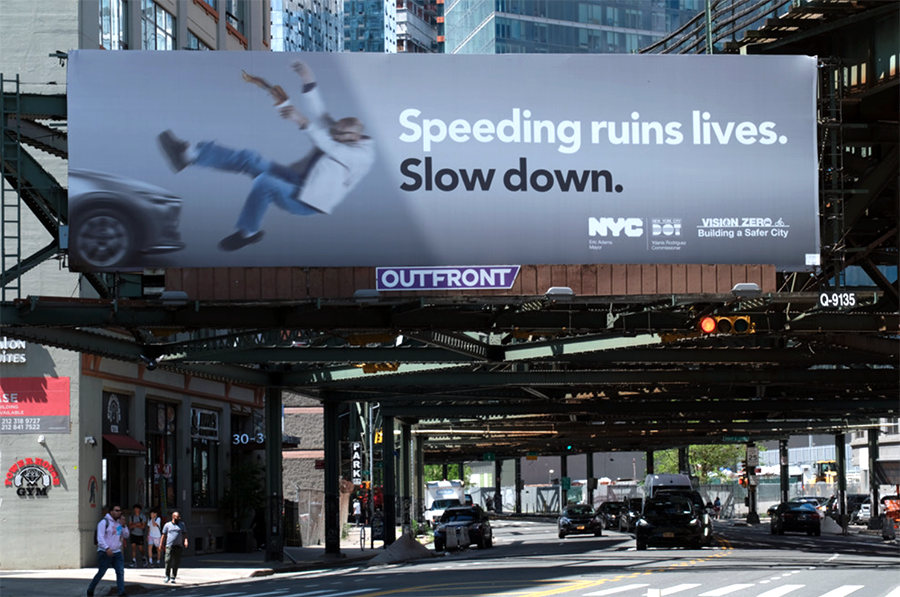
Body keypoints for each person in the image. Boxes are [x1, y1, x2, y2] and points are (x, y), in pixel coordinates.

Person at [157, 60, 376, 252]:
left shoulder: (362, 156)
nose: (335, 134)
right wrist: (308, 79)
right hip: (296, 179)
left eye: (340, 134)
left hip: (306, 201)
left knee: (265, 183)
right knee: (250, 158)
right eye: (335, 130)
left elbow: (330, 146)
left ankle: (248, 233)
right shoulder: (341, 132)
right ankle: (189, 155)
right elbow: (319, 113)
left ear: (355, 137)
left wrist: (302, 122)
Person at [86, 504, 130, 597]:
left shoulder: (119, 524)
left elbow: (126, 535)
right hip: (104, 552)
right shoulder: (103, 522)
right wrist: (106, 548)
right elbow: (100, 538)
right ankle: (90, 589)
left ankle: (121, 593)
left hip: (117, 552)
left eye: (120, 511)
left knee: (120, 572)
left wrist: (124, 525)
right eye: (116, 510)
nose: (119, 512)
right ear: (111, 512)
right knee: (101, 572)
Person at [160, 510, 189, 584]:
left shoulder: (182, 524)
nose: (179, 518)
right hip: (169, 545)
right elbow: (163, 535)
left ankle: (173, 577)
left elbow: (184, 534)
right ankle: (167, 576)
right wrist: (161, 544)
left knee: (176, 562)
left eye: (179, 516)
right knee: (167, 560)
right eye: (177, 517)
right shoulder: (167, 525)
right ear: (173, 517)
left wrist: (185, 541)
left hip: (178, 546)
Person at [127, 503, 147, 568]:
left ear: (139, 510)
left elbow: (143, 526)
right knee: (133, 547)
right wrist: (138, 524)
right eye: (135, 509)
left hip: (140, 534)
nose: (136, 510)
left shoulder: (142, 517)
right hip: (133, 533)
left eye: (137, 509)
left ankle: (144, 558)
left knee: (140, 548)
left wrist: (135, 525)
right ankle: (134, 560)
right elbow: (130, 526)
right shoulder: (131, 517)